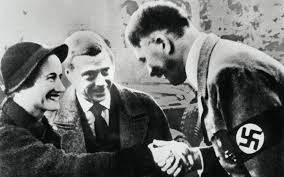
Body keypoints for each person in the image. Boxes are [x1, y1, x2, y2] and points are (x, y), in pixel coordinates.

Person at [125, 1, 284, 177]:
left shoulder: (226, 73)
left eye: (144, 59)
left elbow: (268, 168)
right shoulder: (216, 64)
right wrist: (195, 157)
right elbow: (248, 148)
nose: (150, 71)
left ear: (162, 43)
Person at [0, 42, 166, 177]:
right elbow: (68, 168)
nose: (61, 87)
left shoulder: (39, 125)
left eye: (59, 77)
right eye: (51, 78)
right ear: (19, 86)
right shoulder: (5, 137)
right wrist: (150, 156)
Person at [50, 30, 173, 177]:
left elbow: (168, 170)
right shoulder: (49, 119)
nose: (100, 82)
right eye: (89, 75)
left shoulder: (146, 106)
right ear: (69, 74)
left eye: (105, 71)